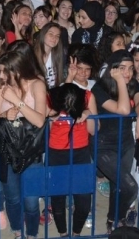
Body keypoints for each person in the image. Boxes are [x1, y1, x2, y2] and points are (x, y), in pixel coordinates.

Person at [0, 48, 48, 239]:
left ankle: (31, 234)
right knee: (12, 198)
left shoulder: (37, 85)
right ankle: (17, 231)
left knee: (31, 200)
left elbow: (40, 120)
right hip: (7, 150)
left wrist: (17, 102)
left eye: (4, 71)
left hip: (32, 150)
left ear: (17, 70)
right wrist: (4, 115)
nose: (0, 75)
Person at [91, 50, 139, 233]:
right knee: (131, 187)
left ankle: (114, 220)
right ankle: (120, 217)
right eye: (122, 68)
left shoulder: (133, 84)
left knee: (119, 185)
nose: (128, 73)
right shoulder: (98, 89)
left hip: (125, 143)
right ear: (112, 69)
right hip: (103, 147)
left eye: (131, 68)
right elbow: (123, 109)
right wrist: (120, 82)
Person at [46, 82, 98, 238]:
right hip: (56, 152)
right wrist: (49, 114)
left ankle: (76, 234)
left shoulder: (88, 96)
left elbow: (94, 130)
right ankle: (63, 234)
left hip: (81, 151)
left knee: (83, 202)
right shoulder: (50, 96)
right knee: (58, 198)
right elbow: (45, 126)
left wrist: (89, 113)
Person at [33, 23, 64, 89]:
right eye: (51, 34)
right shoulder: (32, 55)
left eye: (57, 36)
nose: (54, 38)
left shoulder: (57, 55)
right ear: (43, 34)